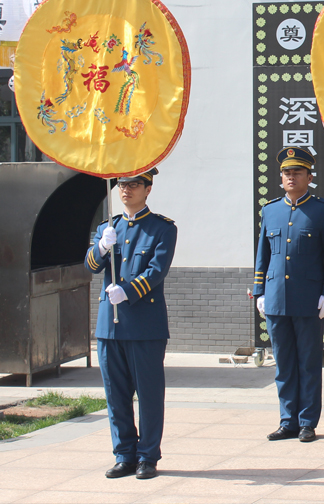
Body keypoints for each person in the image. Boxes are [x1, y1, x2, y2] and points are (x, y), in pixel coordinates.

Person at [85, 168, 177, 480]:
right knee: (116, 394)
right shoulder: (108, 227)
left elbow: (157, 269)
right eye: (122, 184)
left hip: (145, 324)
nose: (126, 190)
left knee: (149, 395)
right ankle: (124, 454)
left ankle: (147, 456)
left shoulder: (161, 228)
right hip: (109, 326)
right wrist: (100, 248)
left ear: (148, 189)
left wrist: (128, 291)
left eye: (134, 184)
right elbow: (90, 265)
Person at [253, 147, 324, 443]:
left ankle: (307, 422)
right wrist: (260, 291)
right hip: (276, 298)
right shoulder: (270, 210)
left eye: (297, 173)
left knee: (308, 363)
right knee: (284, 364)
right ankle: (287, 419)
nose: (291, 177)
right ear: (281, 178)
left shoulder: (323, 211)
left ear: (309, 177)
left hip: (308, 299)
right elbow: (262, 255)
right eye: (287, 173)